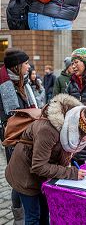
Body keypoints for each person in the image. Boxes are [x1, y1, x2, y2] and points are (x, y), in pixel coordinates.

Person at [5, 94, 86, 225]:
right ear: (82, 128)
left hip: (42, 176)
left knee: (45, 212)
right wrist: (71, 173)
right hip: (25, 176)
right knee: (33, 216)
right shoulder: (48, 130)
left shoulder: (72, 127)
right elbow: (38, 166)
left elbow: (61, 154)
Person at [0, 49, 34, 225]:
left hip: (29, 138)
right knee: (17, 178)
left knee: (27, 175)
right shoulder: (3, 86)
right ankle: (19, 217)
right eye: (26, 63)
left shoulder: (24, 83)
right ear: (17, 66)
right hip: (14, 140)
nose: (29, 66)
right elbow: (4, 119)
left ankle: (28, 212)